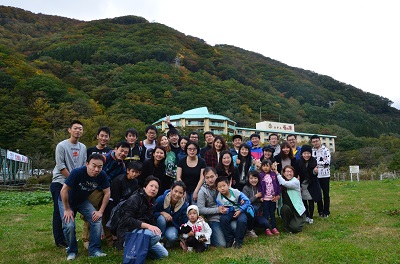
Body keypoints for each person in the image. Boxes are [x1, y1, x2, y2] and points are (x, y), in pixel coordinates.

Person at [58, 154, 110, 260]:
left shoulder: (102, 175)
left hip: (82, 201)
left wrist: (100, 211)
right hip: (67, 201)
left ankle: (95, 250)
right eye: (93, 166)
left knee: (97, 219)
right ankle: (72, 251)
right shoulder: (77, 172)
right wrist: (67, 209)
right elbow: (63, 190)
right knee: (69, 226)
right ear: (87, 164)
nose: (96, 169)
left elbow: (107, 192)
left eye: (99, 167)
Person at [81, 140, 129, 249]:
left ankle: (109, 238)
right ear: (116, 149)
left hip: (108, 191)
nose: (123, 154)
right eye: (121, 150)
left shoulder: (122, 165)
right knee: (91, 213)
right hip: (96, 189)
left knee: (107, 215)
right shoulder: (104, 158)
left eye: (126, 152)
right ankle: (86, 239)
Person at [50, 120, 86, 248]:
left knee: (71, 210)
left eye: (80, 129)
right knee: (59, 211)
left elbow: (83, 166)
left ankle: (67, 237)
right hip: (60, 182)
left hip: (74, 184)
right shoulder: (62, 145)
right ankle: (59, 240)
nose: (78, 131)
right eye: (75, 128)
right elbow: (60, 166)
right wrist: (73, 180)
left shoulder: (83, 147)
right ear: (69, 130)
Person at [115, 176, 168, 260]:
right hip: (128, 234)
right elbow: (126, 219)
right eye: (151, 186)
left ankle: (139, 251)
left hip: (142, 233)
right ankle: (132, 251)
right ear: (144, 187)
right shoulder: (135, 198)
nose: (153, 189)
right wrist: (148, 226)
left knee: (164, 254)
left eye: (156, 187)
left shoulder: (152, 202)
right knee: (156, 235)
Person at [197, 167, 228, 247]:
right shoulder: (202, 191)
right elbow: (200, 209)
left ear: (216, 176)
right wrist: (217, 210)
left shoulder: (222, 185)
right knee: (222, 244)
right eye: (207, 178)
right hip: (213, 219)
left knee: (235, 228)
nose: (210, 180)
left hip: (227, 216)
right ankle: (211, 237)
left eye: (212, 177)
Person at [215, 176, 250, 248]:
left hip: (241, 210)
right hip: (230, 212)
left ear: (228, 185)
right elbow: (222, 208)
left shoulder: (236, 192)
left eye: (224, 185)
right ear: (217, 188)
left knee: (242, 220)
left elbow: (247, 201)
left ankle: (238, 241)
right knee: (223, 219)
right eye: (219, 187)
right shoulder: (218, 198)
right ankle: (229, 239)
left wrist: (240, 210)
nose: (222, 188)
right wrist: (224, 211)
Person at [154, 181, 188, 247]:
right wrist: (162, 213)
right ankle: (159, 240)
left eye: (180, 193)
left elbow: (184, 222)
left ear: (183, 194)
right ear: (171, 189)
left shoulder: (184, 205)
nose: (177, 194)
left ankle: (168, 242)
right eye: (175, 191)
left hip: (173, 226)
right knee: (161, 219)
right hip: (159, 225)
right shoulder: (161, 199)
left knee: (172, 237)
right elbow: (152, 213)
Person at [276, 165, 306, 233]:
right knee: (284, 208)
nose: (289, 173)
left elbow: (285, 183)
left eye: (291, 171)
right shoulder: (281, 183)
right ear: (283, 173)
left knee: (295, 228)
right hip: (288, 210)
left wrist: (277, 173)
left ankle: (299, 220)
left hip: (297, 210)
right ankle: (286, 226)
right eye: (287, 171)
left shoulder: (295, 181)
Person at [298, 145, 322, 224]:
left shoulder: (313, 161)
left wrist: (315, 172)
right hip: (302, 184)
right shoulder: (299, 162)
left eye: (308, 153)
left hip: (311, 184)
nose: (306, 155)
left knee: (311, 201)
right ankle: (306, 215)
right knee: (304, 201)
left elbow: (314, 174)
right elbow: (298, 173)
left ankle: (311, 216)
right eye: (304, 153)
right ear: (302, 154)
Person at [242, 170, 269, 238]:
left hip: (258, 213)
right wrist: (256, 196)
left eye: (255, 178)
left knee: (266, 223)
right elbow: (246, 202)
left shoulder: (260, 187)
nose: (253, 180)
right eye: (251, 178)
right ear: (248, 179)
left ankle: (253, 226)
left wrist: (261, 199)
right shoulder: (245, 188)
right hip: (248, 211)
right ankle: (249, 229)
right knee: (254, 208)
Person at [258, 159, 281, 236]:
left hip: (272, 198)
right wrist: (261, 196)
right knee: (265, 213)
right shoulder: (260, 175)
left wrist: (278, 194)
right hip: (265, 198)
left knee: (272, 213)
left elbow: (277, 185)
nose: (265, 168)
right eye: (263, 166)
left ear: (270, 167)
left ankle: (274, 227)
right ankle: (266, 228)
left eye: (267, 166)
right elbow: (259, 186)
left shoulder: (274, 175)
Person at [310, 134, 331, 218]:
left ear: (320, 141)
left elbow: (327, 162)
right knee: (318, 193)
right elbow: (310, 162)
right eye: (313, 142)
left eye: (316, 141)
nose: (315, 143)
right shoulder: (311, 151)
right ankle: (320, 211)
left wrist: (316, 165)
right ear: (311, 143)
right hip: (316, 175)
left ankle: (326, 211)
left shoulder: (326, 150)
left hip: (325, 175)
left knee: (326, 194)